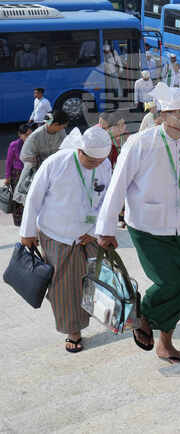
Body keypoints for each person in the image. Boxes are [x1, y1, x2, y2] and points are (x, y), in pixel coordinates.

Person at [95, 83, 180, 365]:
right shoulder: (140, 143)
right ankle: (142, 315)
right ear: (164, 116)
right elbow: (116, 187)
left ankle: (165, 343)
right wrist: (105, 229)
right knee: (171, 282)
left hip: (179, 226)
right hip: (147, 226)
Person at [19, 126, 113, 354]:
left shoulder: (105, 165)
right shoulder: (57, 162)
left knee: (97, 279)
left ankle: (106, 317)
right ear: (80, 150)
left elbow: (108, 199)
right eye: (91, 159)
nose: (96, 164)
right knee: (64, 287)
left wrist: (96, 229)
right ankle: (73, 330)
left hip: (89, 234)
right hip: (57, 234)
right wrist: (27, 232)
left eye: (100, 160)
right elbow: (34, 197)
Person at [12, 110, 70, 227]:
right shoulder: (35, 136)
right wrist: (41, 161)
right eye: (63, 125)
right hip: (36, 174)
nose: (64, 128)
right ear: (55, 125)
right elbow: (25, 156)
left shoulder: (61, 132)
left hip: (55, 172)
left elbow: (65, 148)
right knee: (34, 204)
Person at [4, 124, 32, 226]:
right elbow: (8, 162)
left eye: (31, 134)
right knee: (17, 197)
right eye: (26, 134)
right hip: (17, 174)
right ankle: (19, 221)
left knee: (28, 197)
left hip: (30, 173)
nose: (29, 137)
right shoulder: (14, 145)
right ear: (20, 135)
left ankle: (28, 219)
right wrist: (7, 177)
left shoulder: (33, 144)